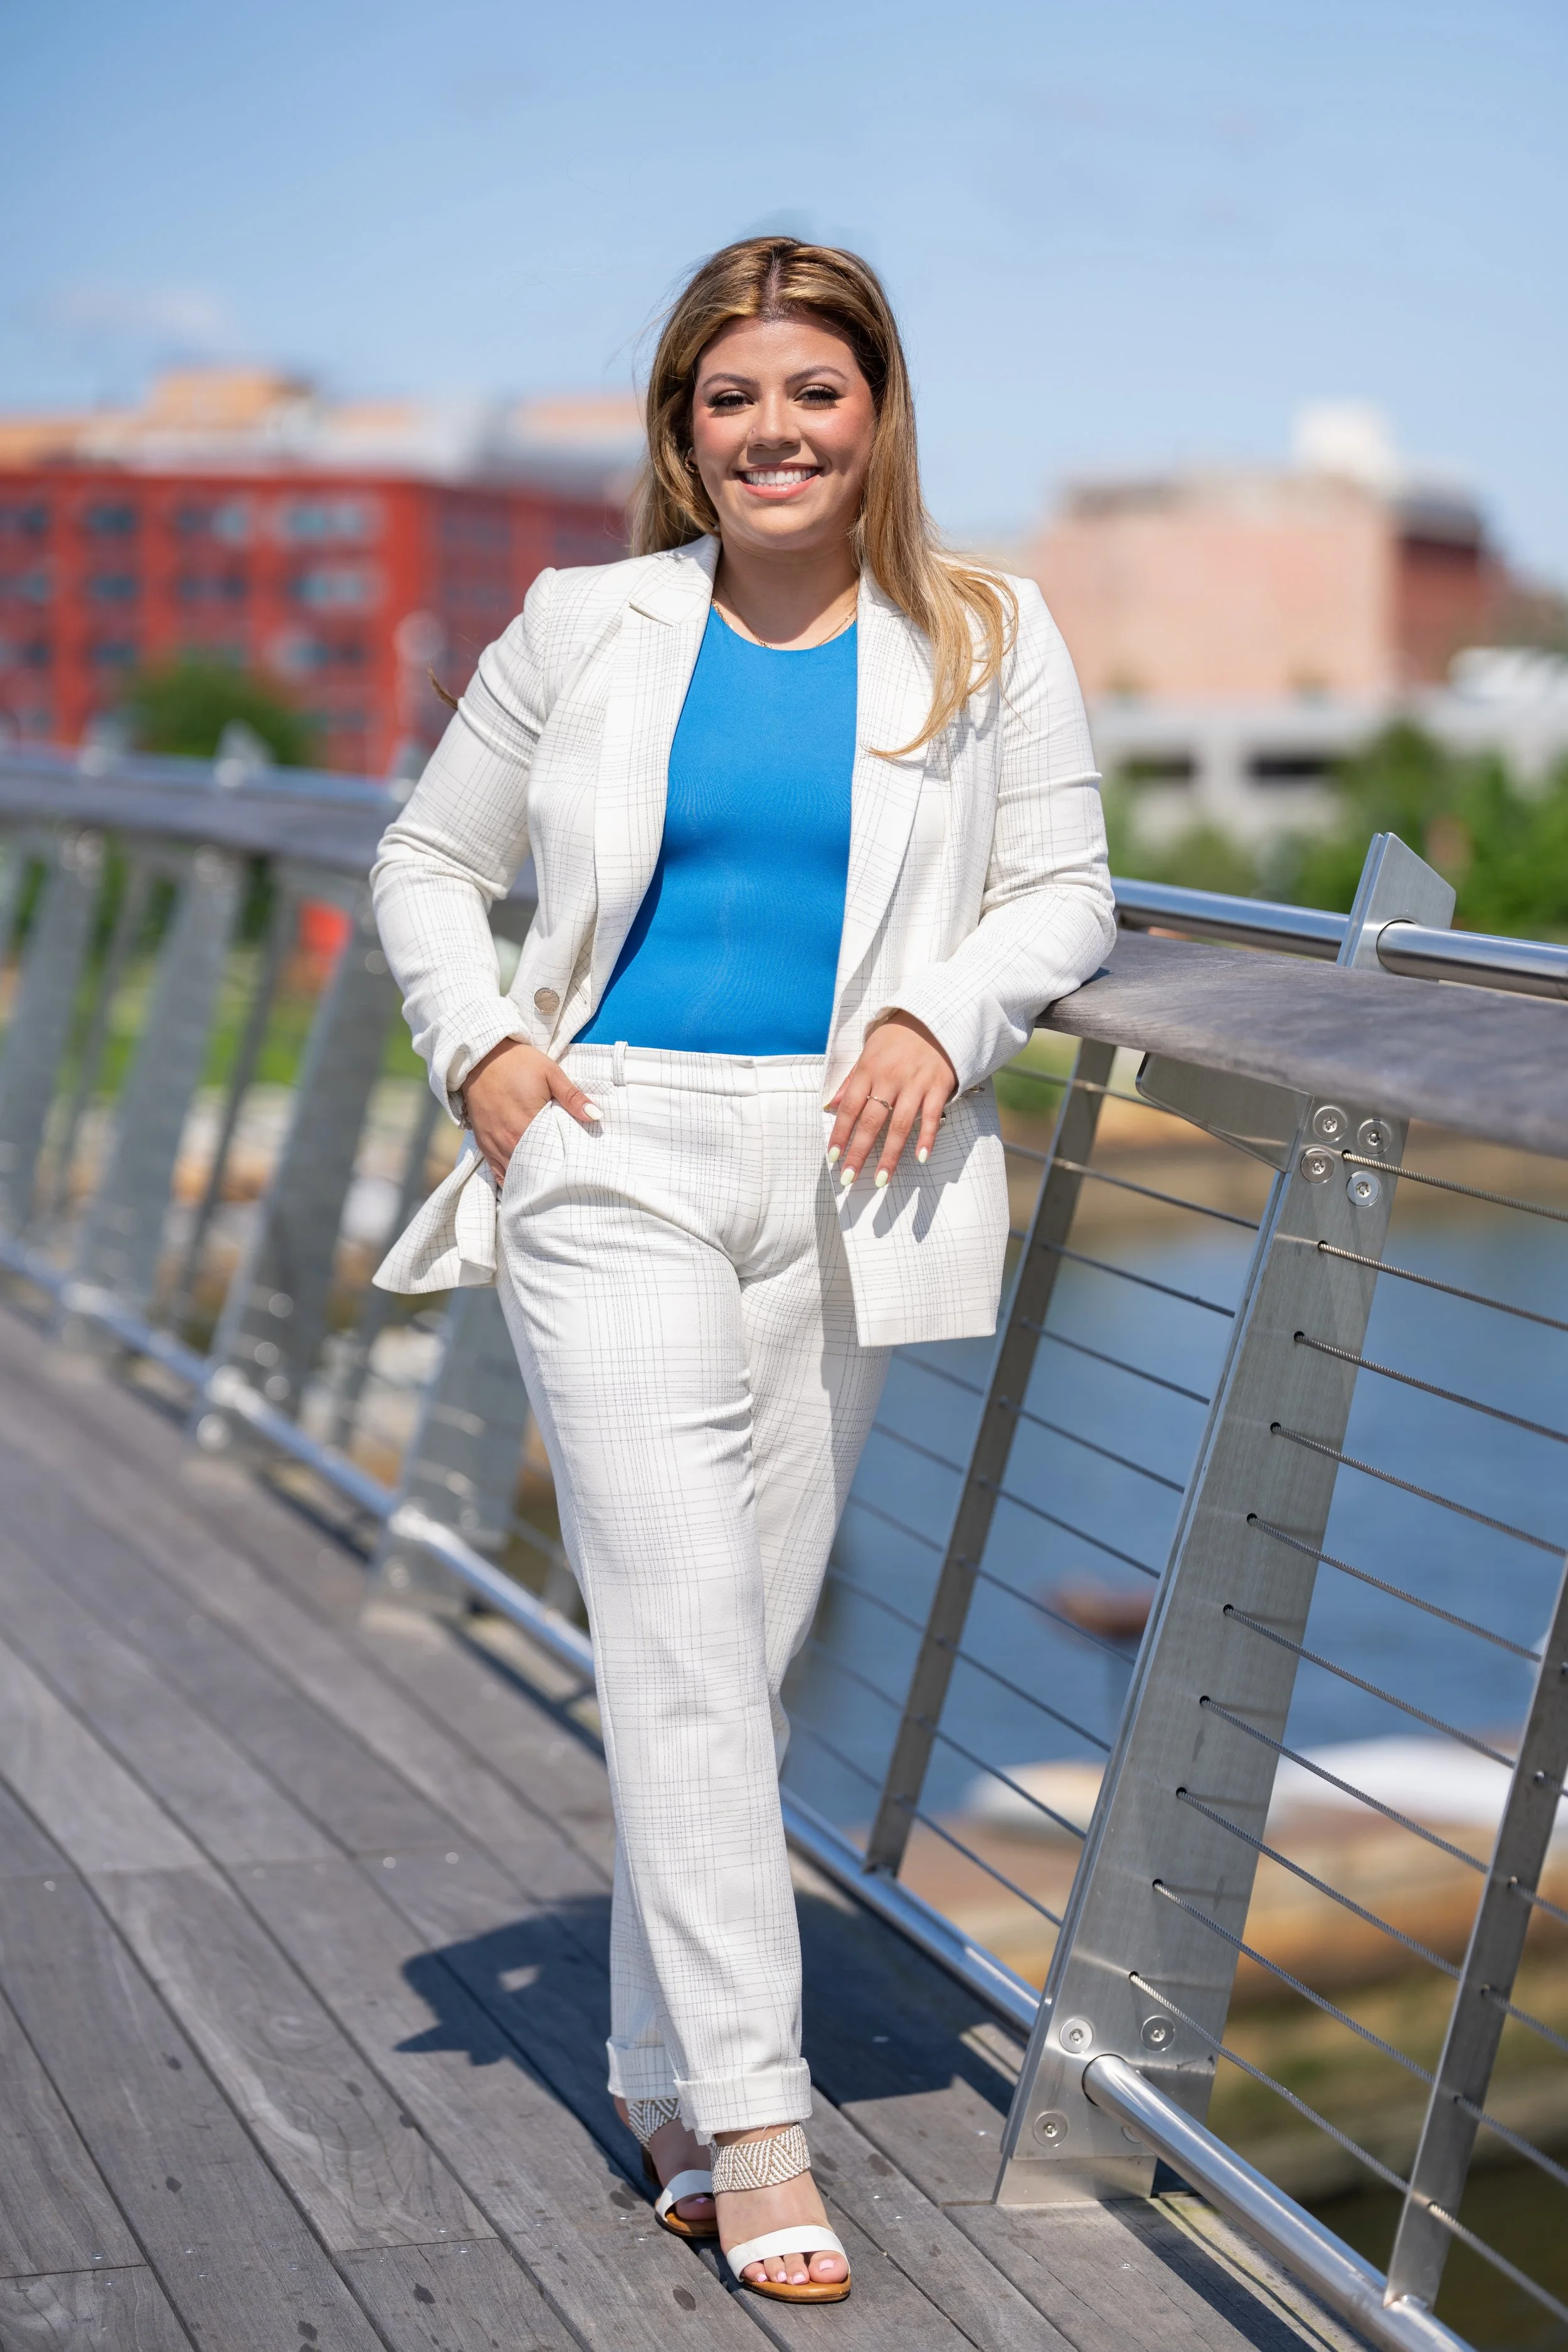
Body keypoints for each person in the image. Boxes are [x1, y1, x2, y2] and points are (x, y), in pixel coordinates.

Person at [371, 234, 1114, 2306]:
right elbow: (429, 860)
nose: (774, 432)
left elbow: (1065, 889)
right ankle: (763, 2123)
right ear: (680, 434)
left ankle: (652, 2070)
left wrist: (935, 1014)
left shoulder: (986, 633)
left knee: (736, 1662)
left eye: (813, 392)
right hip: (606, 1155)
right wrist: (488, 1051)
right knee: (684, 1653)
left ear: (874, 412)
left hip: (854, 1175)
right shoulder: (583, 624)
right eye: (731, 399)